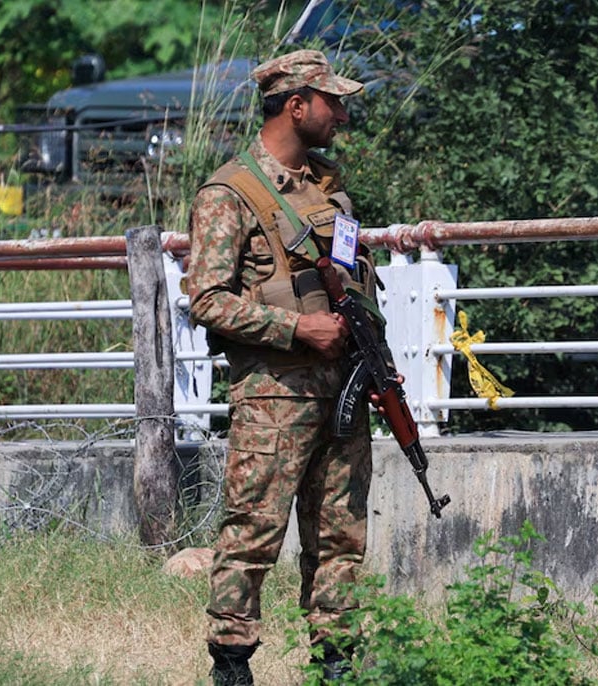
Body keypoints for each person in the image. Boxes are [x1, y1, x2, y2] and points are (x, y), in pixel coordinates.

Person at [186, 49, 379, 685]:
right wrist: (296, 326)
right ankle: (232, 665)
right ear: (296, 105)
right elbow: (208, 300)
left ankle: (337, 664)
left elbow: (354, 289)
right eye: (334, 102)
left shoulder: (331, 191)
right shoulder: (229, 192)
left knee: (341, 540)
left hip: (343, 391)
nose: (343, 114)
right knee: (253, 533)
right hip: (274, 396)